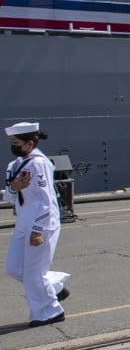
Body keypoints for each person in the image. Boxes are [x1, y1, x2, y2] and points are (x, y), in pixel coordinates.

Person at [4, 122, 69, 327]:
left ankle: (49, 312)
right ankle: (55, 287)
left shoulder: (39, 164)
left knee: (33, 274)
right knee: (14, 268)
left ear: (29, 143)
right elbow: (9, 198)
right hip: (23, 222)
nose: (12, 145)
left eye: (16, 142)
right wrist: (14, 188)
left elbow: (45, 200)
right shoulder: (15, 165)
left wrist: (37, 230)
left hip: (41, 224)